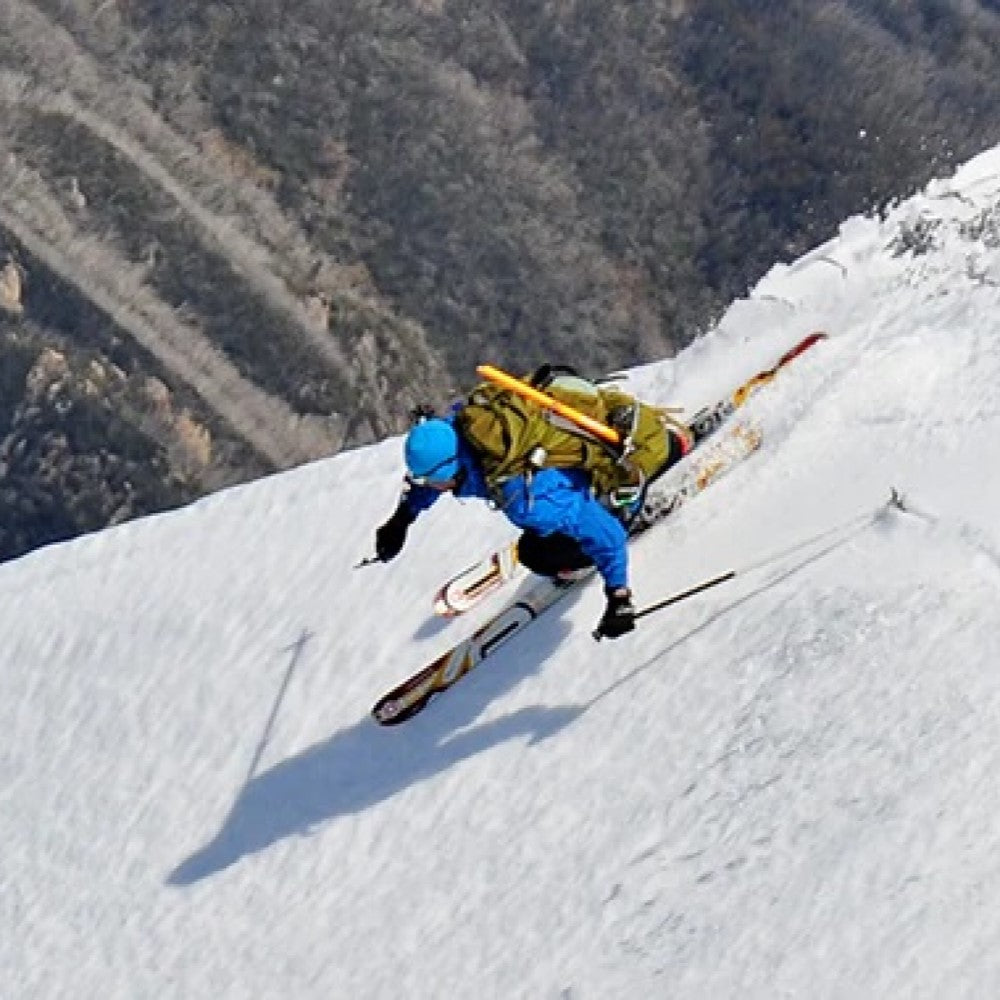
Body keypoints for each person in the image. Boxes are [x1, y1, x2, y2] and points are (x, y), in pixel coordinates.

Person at [374, 386, 691, 640]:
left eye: (430, 480)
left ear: (451, 470)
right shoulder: (469, 425)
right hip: (610, 430)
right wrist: (402, 518)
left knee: (534, 553)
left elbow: (607, 536)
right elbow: (435, 469)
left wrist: (618, 595)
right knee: (549, 526)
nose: (426, 486)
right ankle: (668, 448)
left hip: (609, 492)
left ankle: (580, 561)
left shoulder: (526, 500)